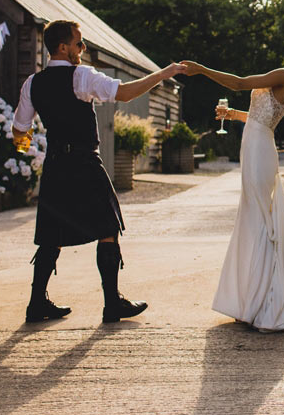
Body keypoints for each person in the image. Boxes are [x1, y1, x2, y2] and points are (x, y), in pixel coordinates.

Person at [12, 19, 181, 323]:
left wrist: (26, 151)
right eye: (79, 42)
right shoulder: (82, 76)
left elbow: (19, 129)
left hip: (54, 165)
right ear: (63, 47)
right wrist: (166, 73)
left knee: (51, 234)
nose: (83, 47)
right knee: (107, 228)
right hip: (85, 163)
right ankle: (112, 304)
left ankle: (36, 304)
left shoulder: (32, 83)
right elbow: (126, 93)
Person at [180, 45, 284, 332]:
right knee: (256, 220)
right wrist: (233, 115)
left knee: (258, 222)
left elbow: (240, 83)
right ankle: (252, 299)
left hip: (258, 152)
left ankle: (259, 301)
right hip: (257, 146)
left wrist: (202, 70)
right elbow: (262, 118)